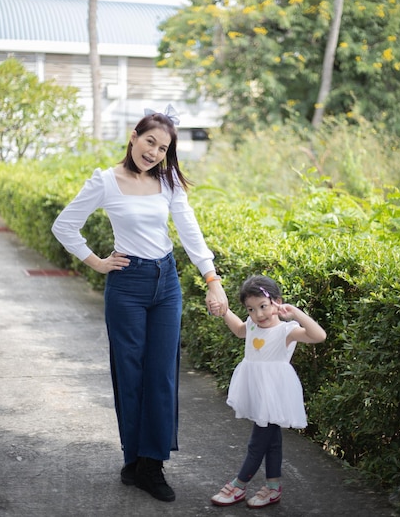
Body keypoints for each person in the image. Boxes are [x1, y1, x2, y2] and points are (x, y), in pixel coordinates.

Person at [51, 105, 228, 503]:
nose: (154, 152)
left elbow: (189, 231)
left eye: (163, 148)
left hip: (166, 284)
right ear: (134, 136)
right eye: (150, 141)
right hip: (126, 286)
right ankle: (133, 459)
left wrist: (212, 280)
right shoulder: (105, 181)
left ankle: (152, 464)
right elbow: (64, 225)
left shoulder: (168, 183)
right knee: (128, 373)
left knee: (162, 373)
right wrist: (96, 262)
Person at [209, 274, 326, 508]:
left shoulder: (287, 330)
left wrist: (296, 313)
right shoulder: (252, 323)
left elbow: (319, 336)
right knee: (272, 441)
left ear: (277, 302)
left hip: (274, 393)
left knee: (257, 442)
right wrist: (224, 311)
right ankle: (273, 488)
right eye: (251, 309)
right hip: (255, 389)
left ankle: (239, 484)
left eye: (263, 306)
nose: (258, 314)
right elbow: (240, 331)